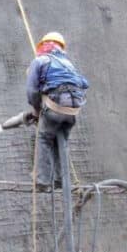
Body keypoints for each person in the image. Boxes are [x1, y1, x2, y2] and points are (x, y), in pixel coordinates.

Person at [26, 32, 89, 192]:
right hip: (73, 110)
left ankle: (42, 180)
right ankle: (61, 180)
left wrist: (36, 111)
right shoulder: (68, 64)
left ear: (44, 46)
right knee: (61, 142)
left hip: (55, 107)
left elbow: (32, 91)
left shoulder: (40, 61)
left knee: (44, 138)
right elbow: (83, 83)